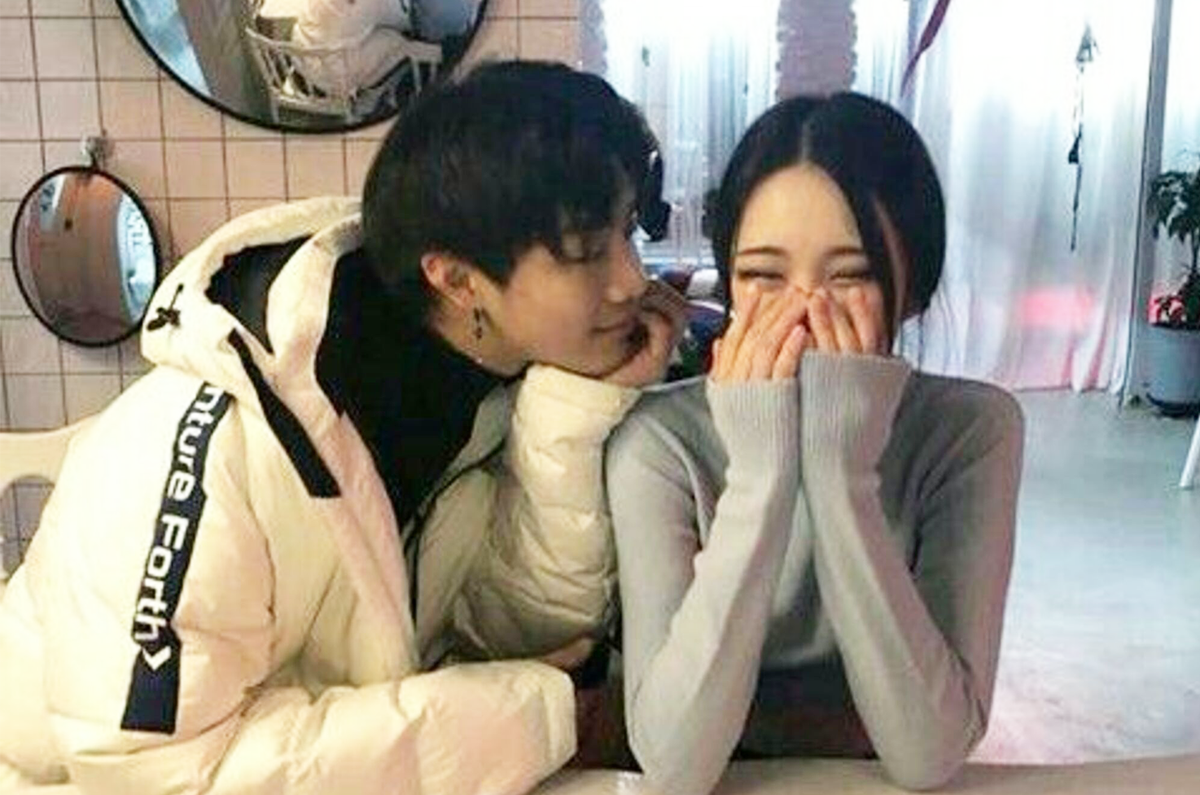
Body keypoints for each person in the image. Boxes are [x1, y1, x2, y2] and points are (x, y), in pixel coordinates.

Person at [0, 61, 685, 793]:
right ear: (456, 279)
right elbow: (156, 774)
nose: (631, 280)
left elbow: (504, 642)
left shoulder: (489, 392)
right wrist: (524, 718)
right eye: (587, 251)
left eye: (627, 233)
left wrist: (569, 416)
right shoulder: (210, 446)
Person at [606, 92, 1025, 794]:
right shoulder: (659, 443)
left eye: (850, 275)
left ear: (914, 288)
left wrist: (842, 473)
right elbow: (674, 763)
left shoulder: (972, 432)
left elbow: (928, 752)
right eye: (763, 276)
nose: (803, 310)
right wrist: (758, 478)